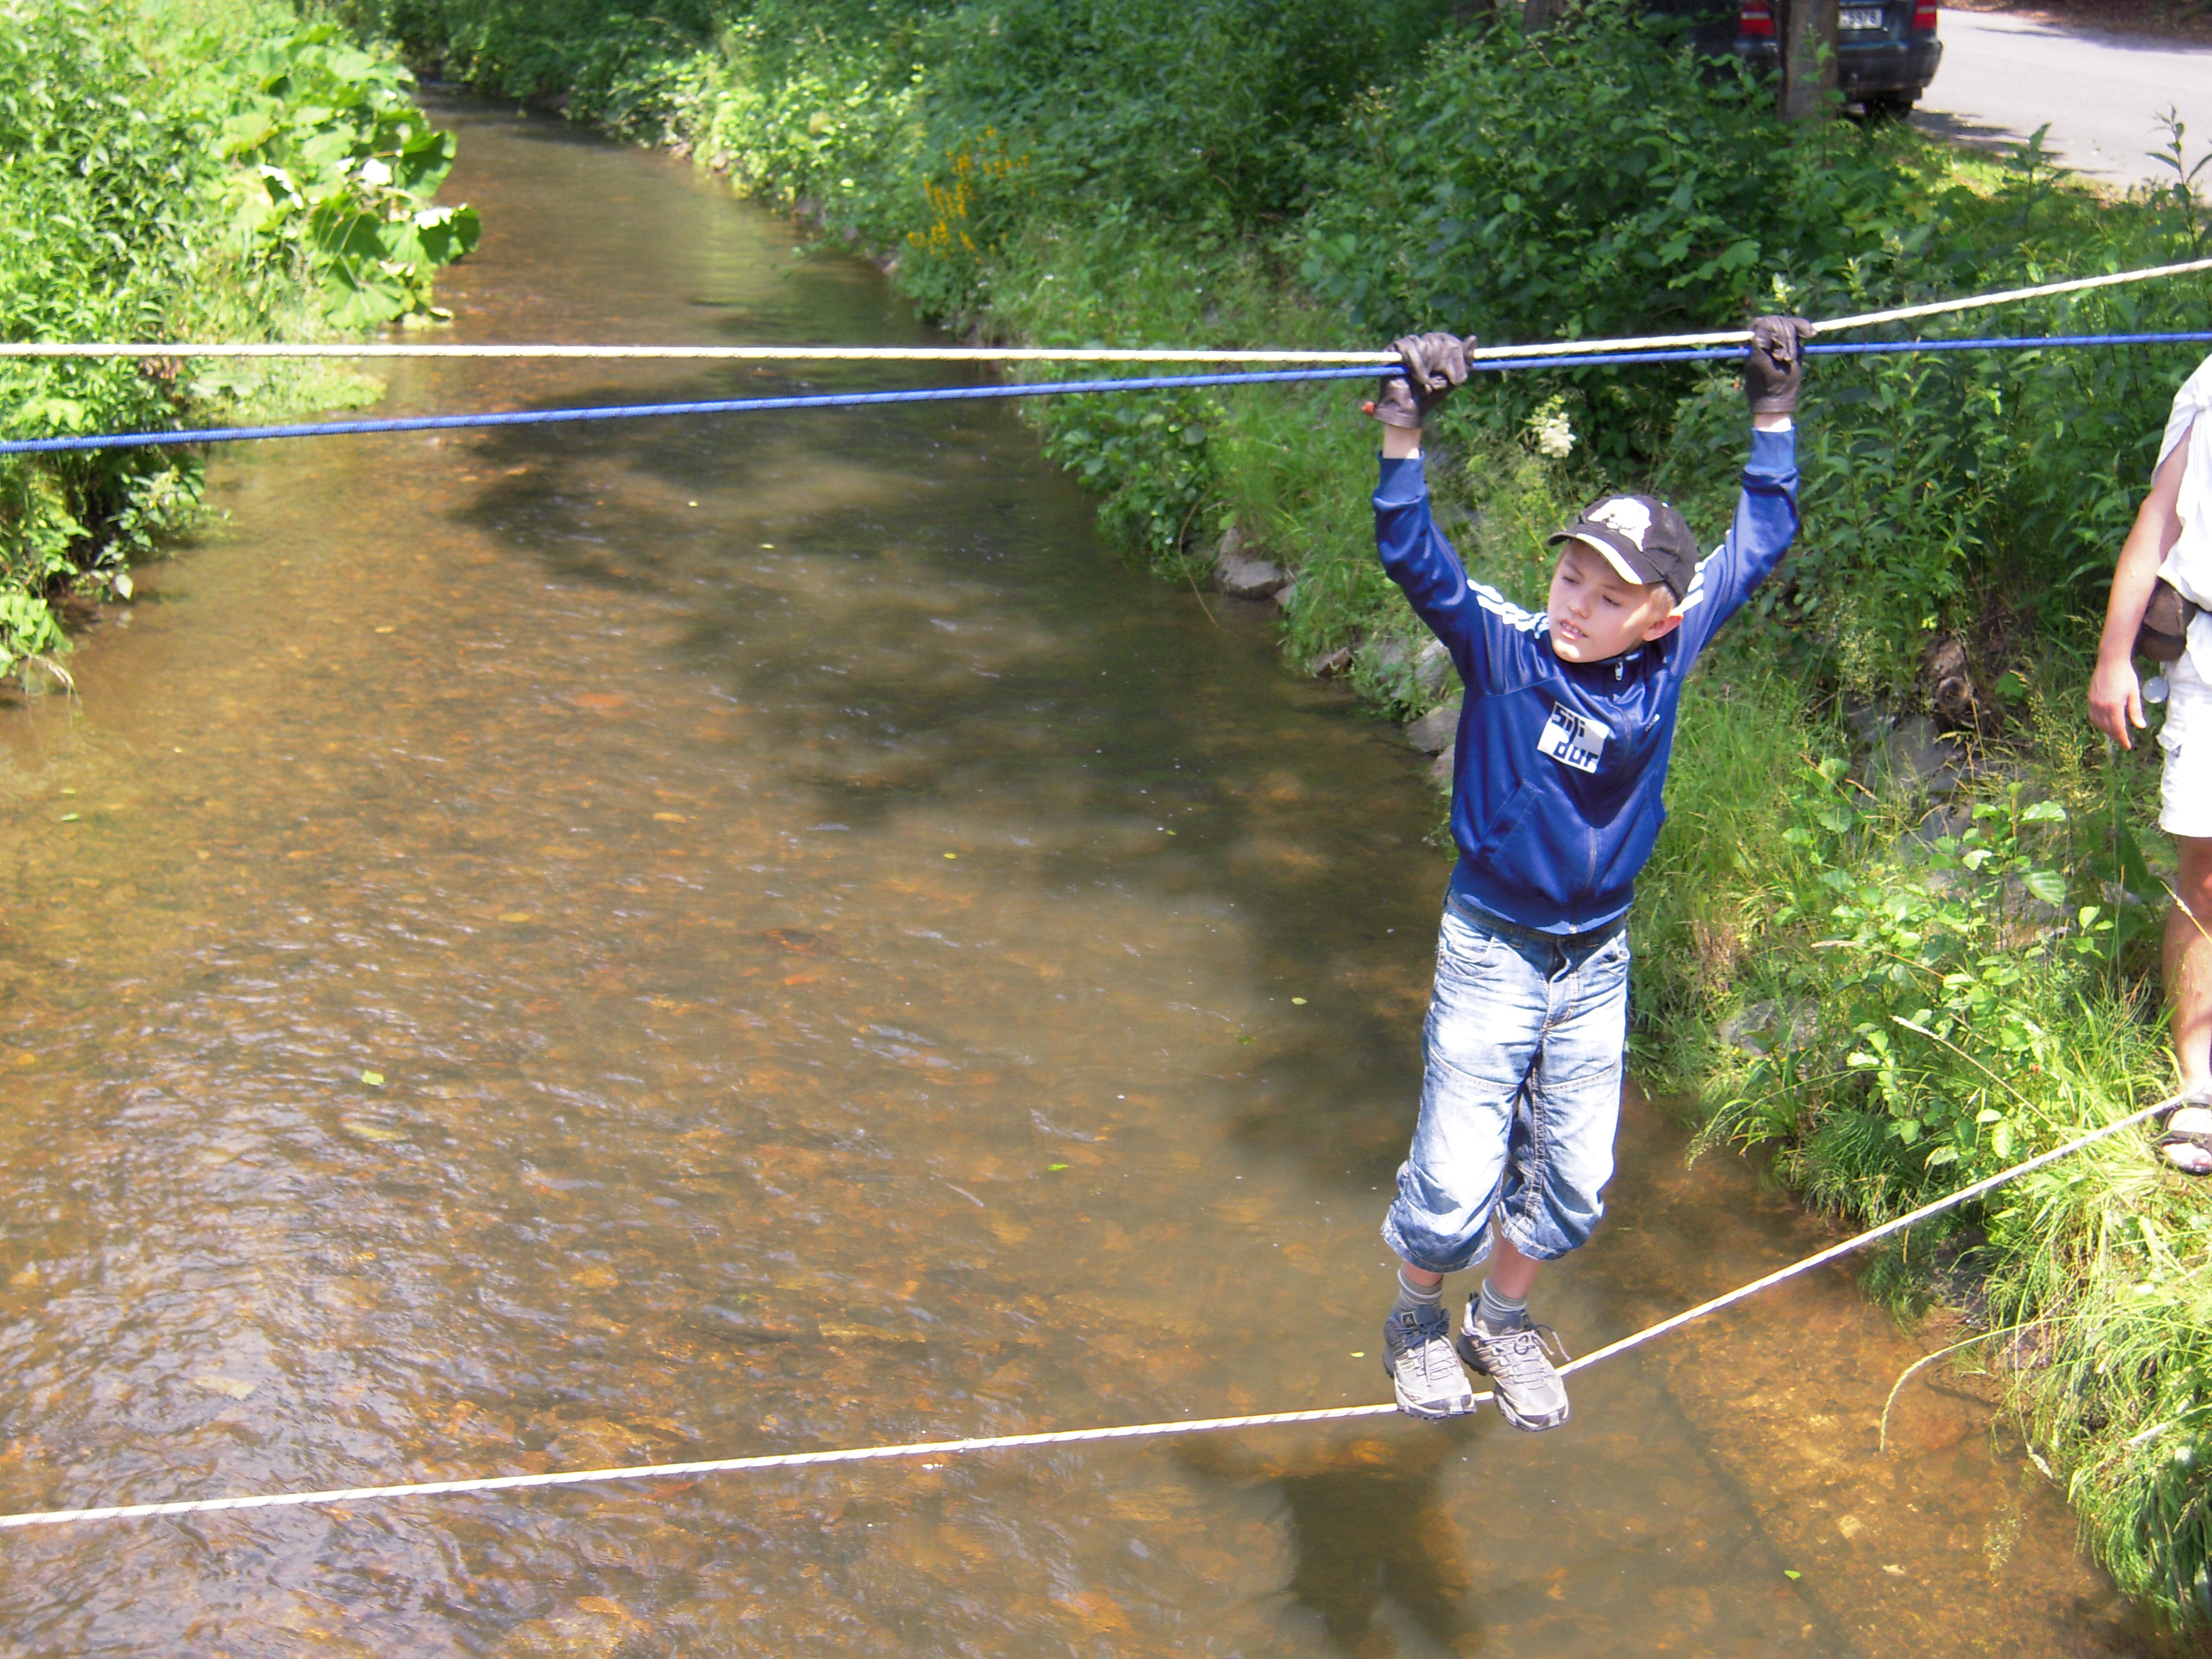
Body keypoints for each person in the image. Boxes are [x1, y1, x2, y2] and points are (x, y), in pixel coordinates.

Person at [1367, 318, 1807, 1425]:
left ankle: (1500, 1322)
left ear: (1660, 618)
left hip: (1596, 957)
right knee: (1455, 1184)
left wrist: (1773, 414)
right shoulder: (1506, 649)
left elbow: (1759, 538)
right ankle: (1417, 1317)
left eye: (1608, 599)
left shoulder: (1672, 655)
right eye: (1570, 577)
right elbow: (1416, 557)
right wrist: (1406, 429)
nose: (1575, 604)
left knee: (1572, 1183)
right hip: (1493, 945)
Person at [2087, 355, 2212, 1174]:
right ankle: (2199, 1091)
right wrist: (2113, 658)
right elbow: (2158, 524)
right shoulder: (2211, 384)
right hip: (2208, 658)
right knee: (2206, 876)